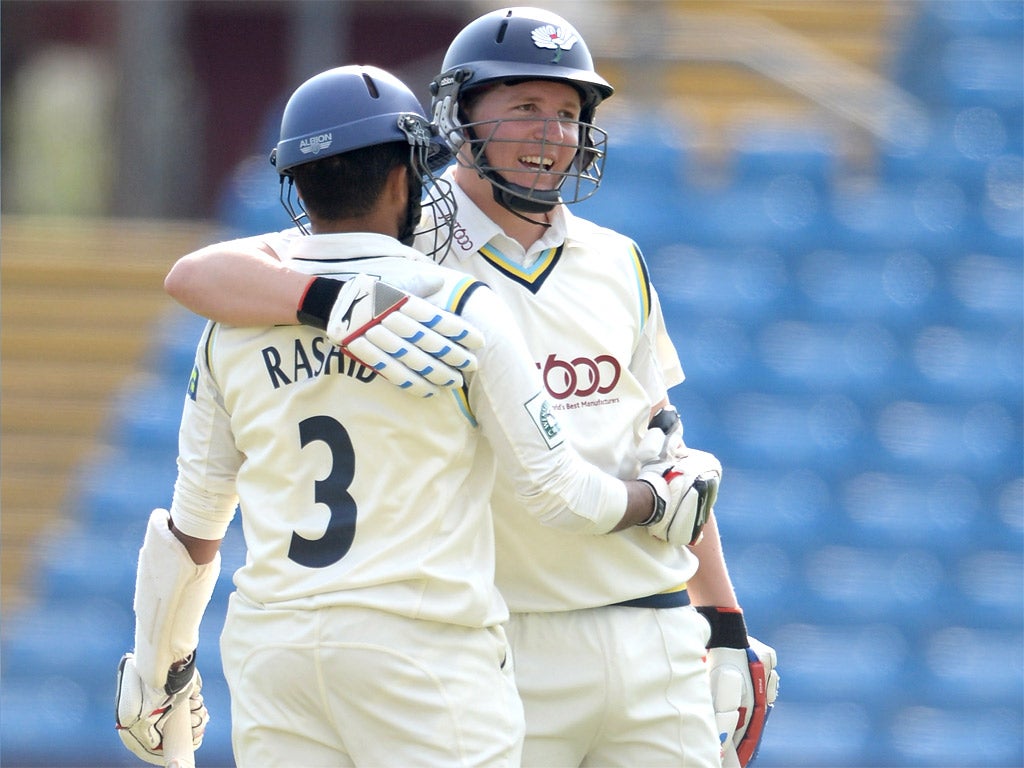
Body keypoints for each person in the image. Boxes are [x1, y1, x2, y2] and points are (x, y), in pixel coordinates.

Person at [162, 8, 779, 767]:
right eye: (525, 107)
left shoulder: (619, 260)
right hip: (506, 637)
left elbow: (659, 436)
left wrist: (721, 616)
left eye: (566, 113)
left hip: (651, 625)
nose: (550, 133)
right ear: (459, 114)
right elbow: (198, 274)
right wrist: (328, 302)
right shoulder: (402, 238)